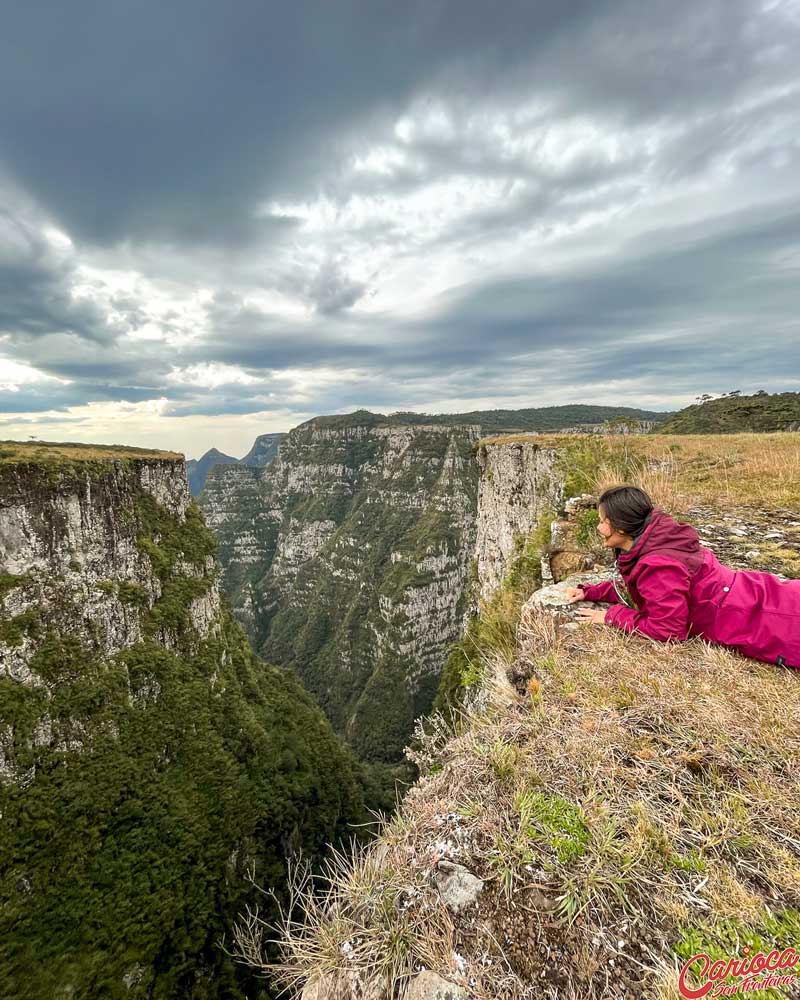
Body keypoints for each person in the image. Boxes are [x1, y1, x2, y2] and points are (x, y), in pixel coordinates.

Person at [565, 485, 800, 670]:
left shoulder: (659, 565)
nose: (598, 528)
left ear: (623, 528)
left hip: (759, 618)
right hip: (748, 594)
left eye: (603, 522)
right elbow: (645, 588)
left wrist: (612, 615)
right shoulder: (658, 540)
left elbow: (667, 630)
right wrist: (591, 591)